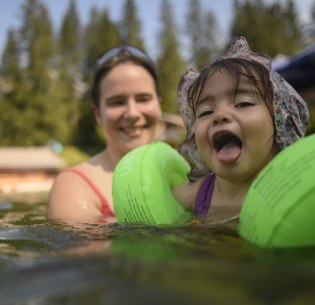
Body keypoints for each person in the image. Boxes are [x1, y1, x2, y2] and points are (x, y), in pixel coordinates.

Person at [173, 36, 309, 222]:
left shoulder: (294, 186)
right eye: (205, 112)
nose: (220, 115)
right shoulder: (198, 194)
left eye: (243, 103)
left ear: (279, 122)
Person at [47, 44, 162, 223]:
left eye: (143, 99)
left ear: (159, 105)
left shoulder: (189, 175)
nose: (132, 113)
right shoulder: (73, 185)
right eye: (117, 102)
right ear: (98, 114)